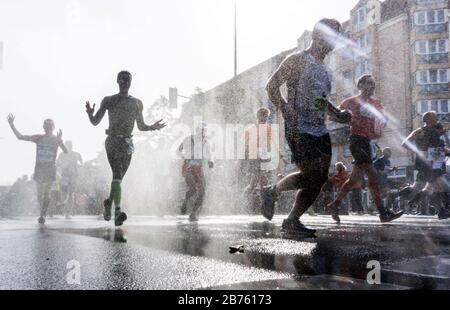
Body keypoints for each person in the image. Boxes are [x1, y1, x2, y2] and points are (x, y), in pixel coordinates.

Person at [262, 19, 352, 235]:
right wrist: (284, 108)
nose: (330, 42)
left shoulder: (325, 71)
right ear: (315, 36)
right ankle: (274, 194)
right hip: (299, 127)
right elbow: (271, 86)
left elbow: (318, 99)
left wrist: (336, 114)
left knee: (319, 178)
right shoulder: (298, 60)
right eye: (328, 36)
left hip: (320, 130)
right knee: (311, 174)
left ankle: (288, 214)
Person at [86, 71, 166, 226]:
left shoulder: (137, 103)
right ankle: (117, 211)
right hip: (112, 141)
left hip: (127, 144)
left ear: (131, 82)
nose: (125, 83)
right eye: (122, 80)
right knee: (117, 174)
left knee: (118, 179)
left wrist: (152, 127)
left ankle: (108, 203)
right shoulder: (109, 100)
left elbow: (141, 126)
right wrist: (90, 114)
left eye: (127, 80)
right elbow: (95, 122)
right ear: (117, 81)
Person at [326, 75, 403, 224]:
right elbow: (334, 117)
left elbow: (382, 120)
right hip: (356, 140)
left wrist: (380, 125)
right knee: (373, 175)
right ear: (360, 85)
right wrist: (346, 118)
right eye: (368, 84)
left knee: (353, 181)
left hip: (368, 142)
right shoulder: (351, 101)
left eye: (373, 85)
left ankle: (334, 206)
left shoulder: (376, 103)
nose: (372, 87)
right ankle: (382, 213)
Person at [7, 115, 68, 224]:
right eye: (46, 127)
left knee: (46, 193)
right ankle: (42, 212)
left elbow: (65, 151)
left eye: (50, 127)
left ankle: (42, 214)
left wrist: (60, 141)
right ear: (44, 127)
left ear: (53, 128)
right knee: (39, 194)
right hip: (40, 169)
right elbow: (20, 137)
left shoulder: (56, 139)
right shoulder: (38, 138)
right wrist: (11, 124)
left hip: (50, 169)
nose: (48, 129)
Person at [401, 112, 450, 220]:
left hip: (437, 160)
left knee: (430, 187)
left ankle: (411, 198)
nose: (437, 118)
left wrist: (445, 134)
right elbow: (405, 143)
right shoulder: (420, 131)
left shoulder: (438, 130)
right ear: (427, 119)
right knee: (441, 186)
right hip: (426, 162)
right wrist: (419, 151)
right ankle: (443, 210)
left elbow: (445, 145)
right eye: (434, 116)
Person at [178, 123, 214, 222]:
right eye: (201, 130)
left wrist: (211, 161)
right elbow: (179, 150)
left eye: (204, 131)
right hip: (188, 167)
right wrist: (184, 157)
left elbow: (209, 153)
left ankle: (193, 213)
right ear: (197, 130)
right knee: (193, 189)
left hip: (199, 168)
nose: (203, 133)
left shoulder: (206, 141)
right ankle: (185, 201)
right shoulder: (188, 139)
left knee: (202, 192)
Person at [244, 108, 273, 212]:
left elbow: (270, 143)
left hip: (264, 156)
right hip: (255, 157)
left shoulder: (268, 128)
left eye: (266, 116)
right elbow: (247, 143)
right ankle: (263, 207)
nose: (264, 117)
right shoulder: (252, 128)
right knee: (261, 181)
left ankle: (244, 200)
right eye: (262, 115)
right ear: (257, 116)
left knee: (256, 183)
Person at [57, 141, 83, 219]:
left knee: (71, 193)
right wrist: (62, 166)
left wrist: (77, 165)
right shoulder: (61, 154)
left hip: (73, 176)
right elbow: (57, 163)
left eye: (70, 145)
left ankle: (68, 212)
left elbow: (82, 163)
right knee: (64, 193)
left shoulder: (77, 154)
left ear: (72, 146)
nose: (69, 147)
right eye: (67, 145)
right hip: (64, 176)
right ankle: (64, 205)